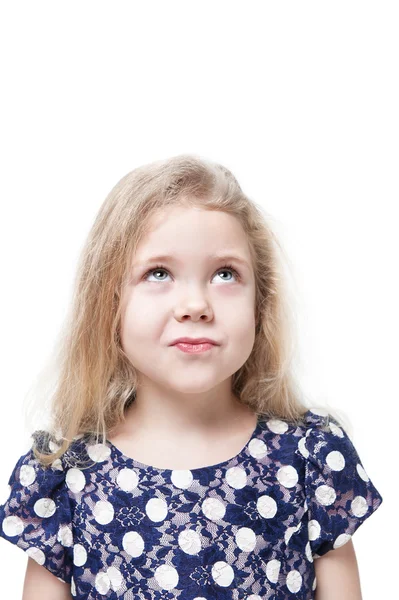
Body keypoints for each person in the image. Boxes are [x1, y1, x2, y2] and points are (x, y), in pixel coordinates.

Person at [0, 154, 383, 599]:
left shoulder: (311, 457)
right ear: (108, 304)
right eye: (158, 273)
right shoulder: (65, 469)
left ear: (260, 304)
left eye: (225, 274)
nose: (195, 304)